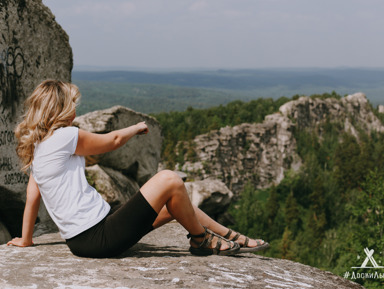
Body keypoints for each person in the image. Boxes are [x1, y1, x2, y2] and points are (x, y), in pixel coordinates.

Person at [7, 80, 269, 258]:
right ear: (61, 109)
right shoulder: (65, 136)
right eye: (72, 103)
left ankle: (232, 237)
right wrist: (136, 127)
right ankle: (201, 241)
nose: (76, 107)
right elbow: (113, 141)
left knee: (176, 203)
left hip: (89, 236)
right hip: (98, 236)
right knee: (168, 179)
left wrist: (25, 239)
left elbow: (33, 198)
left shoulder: (39, 148)